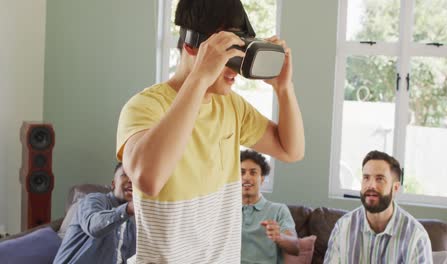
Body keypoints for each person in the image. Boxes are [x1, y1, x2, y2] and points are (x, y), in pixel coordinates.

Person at [116, 0, 304, 262]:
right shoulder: (145, 107)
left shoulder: (230, 105)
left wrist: (284, 89)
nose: (236, 68)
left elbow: (290, 150)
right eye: (227, 52)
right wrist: (200, 77)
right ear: (192, 46)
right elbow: (148, 178)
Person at [324, 150, 433, 264]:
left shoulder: (416, 237)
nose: (371, 185)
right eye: (366, 177)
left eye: (379, 179)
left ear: (395, 188)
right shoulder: (342, 228)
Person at [53, 163, 136, 264]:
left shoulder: (131, 225)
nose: (131, 180)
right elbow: (93, 226)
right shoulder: (94, 200)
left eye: (135, 177)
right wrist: (128, 209)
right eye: (125, 175)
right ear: (113, 184)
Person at [240, 149, 299, 263]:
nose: (246, 177)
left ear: (262, 179)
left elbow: (295, 247)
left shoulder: (278, 210)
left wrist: (279, 236)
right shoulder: (226, 210)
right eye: (242, 172)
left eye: (253, 172)